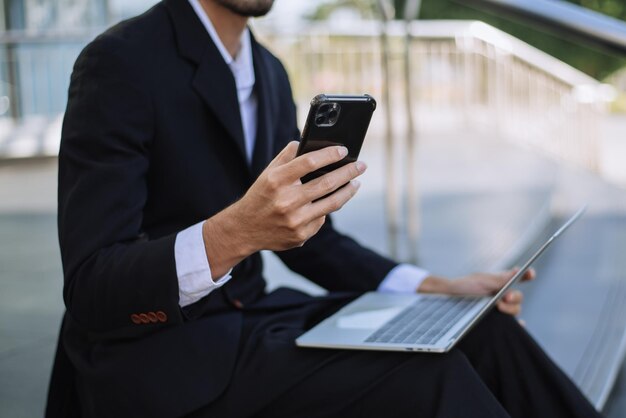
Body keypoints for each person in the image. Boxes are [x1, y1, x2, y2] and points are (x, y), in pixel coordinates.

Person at [46, 0, 602, 417]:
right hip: (161, 354)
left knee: (481, 331)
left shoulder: (265, 70)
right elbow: (93, 286)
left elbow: (320, 242)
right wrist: (232, 235)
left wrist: (435, 286)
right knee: (429, 376)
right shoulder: (119, 61)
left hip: (255, 321)